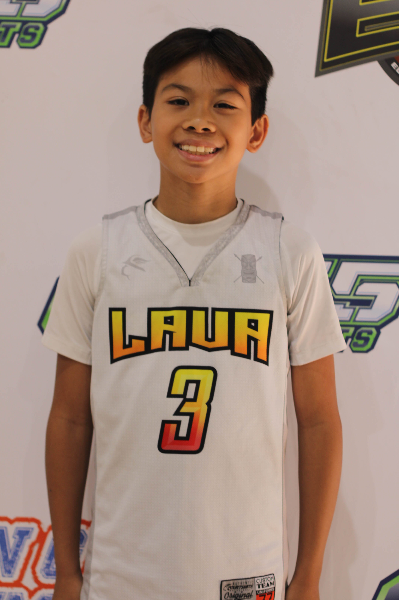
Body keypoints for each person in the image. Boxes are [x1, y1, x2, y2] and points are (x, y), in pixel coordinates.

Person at [43, 28, 346, 600]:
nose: (200, 121)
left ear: (256, 130)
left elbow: (319, 421)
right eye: (179, 100)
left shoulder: (289, 252)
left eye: (224, 105)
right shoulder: (97, 251)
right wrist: (66, 571)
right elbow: (70, 419)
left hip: (248, 576)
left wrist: (308, 576)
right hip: (119, 580)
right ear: (145, 120)